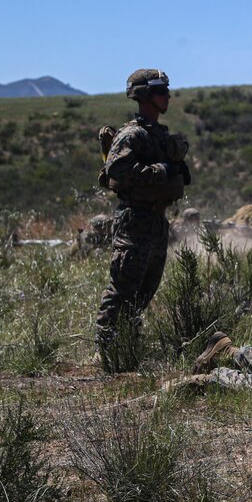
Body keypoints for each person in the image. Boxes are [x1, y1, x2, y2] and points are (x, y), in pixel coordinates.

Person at [96, 69, 190, 369]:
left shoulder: (156, 134)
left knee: (144, 291)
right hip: (135, 219)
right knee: (123, 288)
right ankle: (107, 353)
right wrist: (162, 171)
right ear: (145, 96)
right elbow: (118, 172)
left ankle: (127, 346)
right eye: (161, 91)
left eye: (167, 90)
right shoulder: (132, 134)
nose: (168, 96)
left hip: (156, 220)